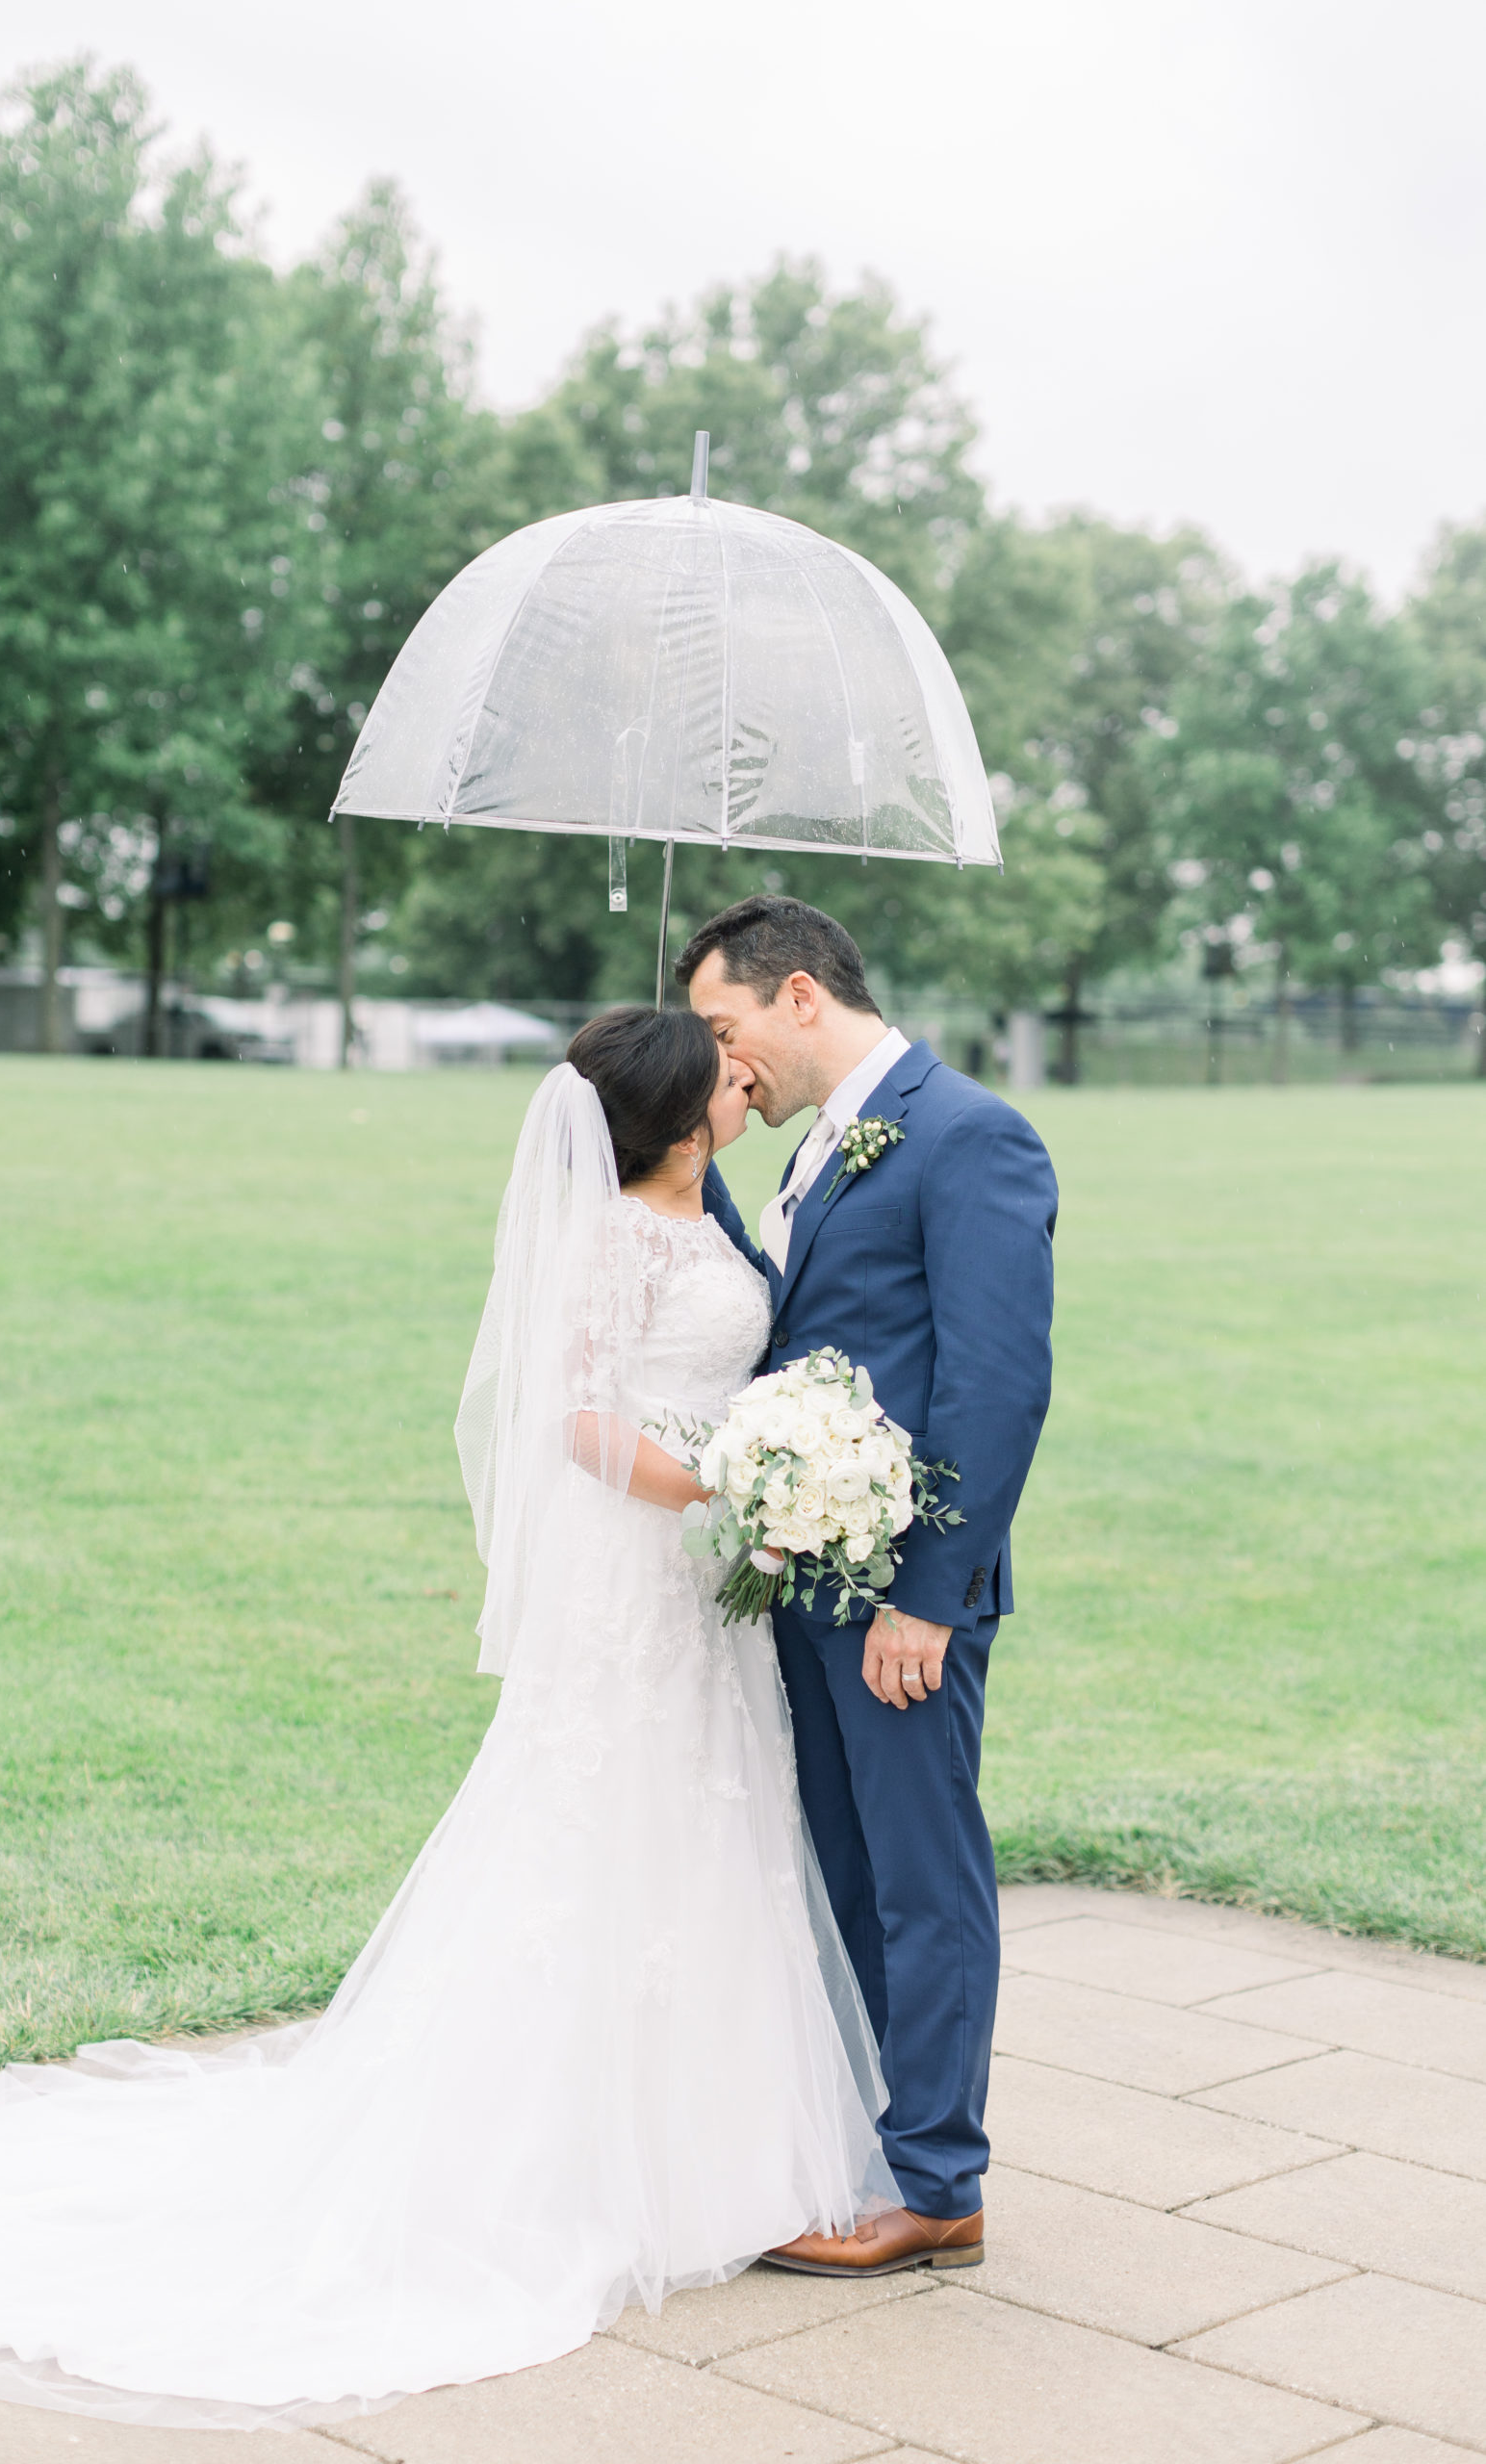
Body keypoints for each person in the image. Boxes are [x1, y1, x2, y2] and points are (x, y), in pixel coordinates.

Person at [0, 1008, 895, 2433]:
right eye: (716, 1064)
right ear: (674, 1109)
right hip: (641, 1574)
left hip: (702, 1590)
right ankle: (563, 2154)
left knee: (713, 1828)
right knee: (600, 1822)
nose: (738, 1070)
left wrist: (768, 1471)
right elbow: (581, 1425)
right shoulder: (612, 1241)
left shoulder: (709, 1216)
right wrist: (727, 1487)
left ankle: (710, 2149)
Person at [682, 895, 1058, 2277]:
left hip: (903, 1598)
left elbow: (997, 1383)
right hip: (805, 1583)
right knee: (844, 1874)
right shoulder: (810, 1151)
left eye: (724, 1032)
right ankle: (880, 2141)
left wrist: (930, 1593)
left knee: (923, 1881)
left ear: (796, 996)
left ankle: (941, 2184)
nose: (727, 1066)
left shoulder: (969, 1136)